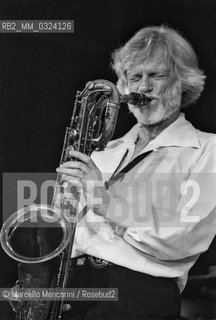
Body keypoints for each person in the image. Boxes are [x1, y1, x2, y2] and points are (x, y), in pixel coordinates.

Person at [56, 25, 216, 320]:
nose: (143, 87)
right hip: (74, 291)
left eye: (156, 75)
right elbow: (67, 229)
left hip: (139, 297)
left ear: (183, 82)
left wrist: (104, 203)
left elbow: (182, 236)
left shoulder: (208, 149)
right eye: (135, 77)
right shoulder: (105, 150)